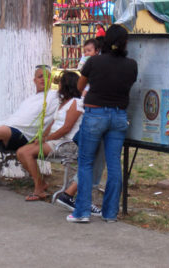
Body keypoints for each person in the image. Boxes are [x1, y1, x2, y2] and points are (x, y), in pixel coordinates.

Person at [67, 24, 138, 223]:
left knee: (86, 162)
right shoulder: (132, 64)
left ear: (105, 41)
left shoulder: (94, 61)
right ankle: (110, 214)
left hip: (95, 114)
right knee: (114, 164)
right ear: (125, 43)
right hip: (119, 117)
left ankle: (81, 212)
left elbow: (81, 85)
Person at [16, 71, 83, 201]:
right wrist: (40, 137)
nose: (58, 86)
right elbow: (52, 124)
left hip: (66, 143)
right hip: (55, 140)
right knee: (21, 152)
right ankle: (40, 184)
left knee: (25, 153)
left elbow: (66, 128)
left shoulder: (76, 102)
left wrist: (46, 139)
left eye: (61, 83)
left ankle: (39, 189)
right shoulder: (63, 103)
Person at [56, 38, 103, 216]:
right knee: (91, 163)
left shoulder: (91, 71)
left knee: (89, 162)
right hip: (92, 124)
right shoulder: (93, 70)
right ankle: (77, 200)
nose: (86, 54)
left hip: (89, 124)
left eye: (89, 50)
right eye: (85, 51)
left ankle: (76, 198)